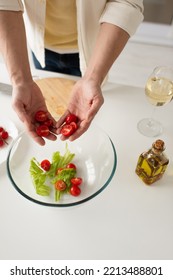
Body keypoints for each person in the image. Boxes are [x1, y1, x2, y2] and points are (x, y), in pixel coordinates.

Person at [0, 0, 144, 145]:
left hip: (96, 49)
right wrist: (21, 81)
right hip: (40, 46)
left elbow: (126, 2)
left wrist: (92, 78)